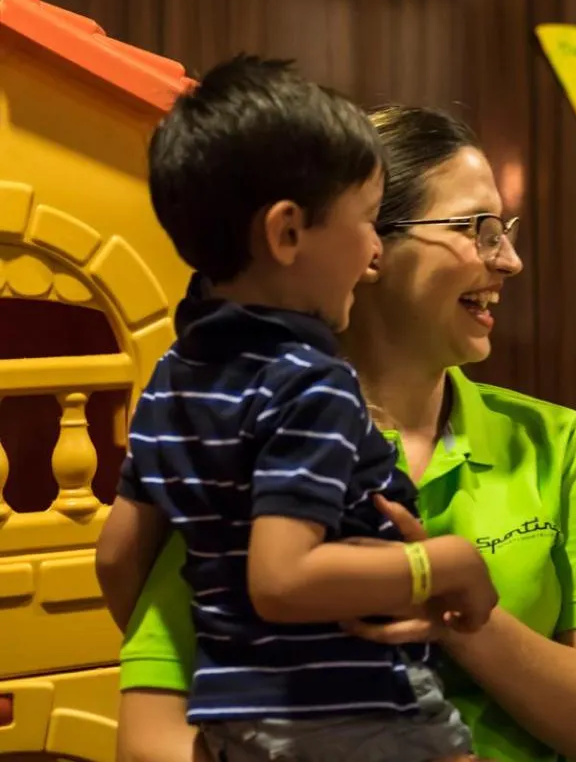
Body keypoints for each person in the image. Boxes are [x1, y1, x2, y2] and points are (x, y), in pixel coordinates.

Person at [112, 104, 576, 762]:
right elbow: (148, 736)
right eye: (477, 230)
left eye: (504, 229)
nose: (509, 261)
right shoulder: (262, 439)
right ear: (369, 248)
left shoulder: (554, 441)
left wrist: (453, 618)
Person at [95, 56, 498, 762]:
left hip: (232, 719)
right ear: (286, 233)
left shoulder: (171, 379)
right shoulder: (310, 385)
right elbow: (283, 581)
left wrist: (234, 657)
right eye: (368, 222)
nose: (375, 252)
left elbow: (117, 559)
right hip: (354, 710)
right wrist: (446, 565)